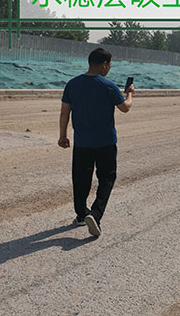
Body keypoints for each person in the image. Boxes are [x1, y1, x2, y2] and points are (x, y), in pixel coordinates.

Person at [58, 48, 134, 238]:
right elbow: (125, 108)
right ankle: (96, 214)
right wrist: (130, 94)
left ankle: (81, 214)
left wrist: (63, 136)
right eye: (110, 64)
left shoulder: (72, 84)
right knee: (107, 178)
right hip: (105, 143)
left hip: (82, 143)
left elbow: (65, 112)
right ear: (104, 64)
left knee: (80, 179)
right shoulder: (108, 86)